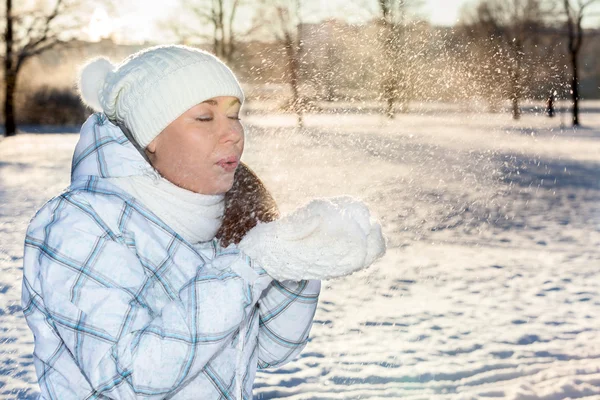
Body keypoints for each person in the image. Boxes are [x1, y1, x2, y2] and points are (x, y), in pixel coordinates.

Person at [21, 45, 385, 399]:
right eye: (205, 117)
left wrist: (302, 260)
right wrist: (252, 263)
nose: (234, 133)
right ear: (151, 137)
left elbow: (272, 350)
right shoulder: (81, 223)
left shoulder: (223, 211)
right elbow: (129, 379)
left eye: (234, 115)